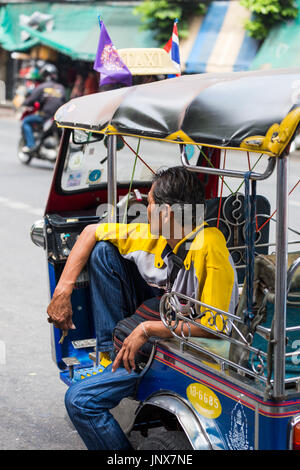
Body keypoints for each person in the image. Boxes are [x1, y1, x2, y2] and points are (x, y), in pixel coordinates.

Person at [47, 166, 239, 450]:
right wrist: (63, 291)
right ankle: (109, 357)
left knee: (80, 401)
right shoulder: (159, 236)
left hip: (190, 352)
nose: (144, 207)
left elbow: (216, 326)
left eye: (149, 202)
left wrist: (147, 329)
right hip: (166, 327)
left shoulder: (210, 246)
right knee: (104, 252)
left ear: (167, 213)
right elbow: (90, 232)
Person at [21, 63, 66, 153]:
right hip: (59, 118)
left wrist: (24, 103)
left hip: (46, 117)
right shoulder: (61, 88)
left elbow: (30, 100)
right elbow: (64, 101)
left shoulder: (42, 87)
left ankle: (31, 145)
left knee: (25, 121)